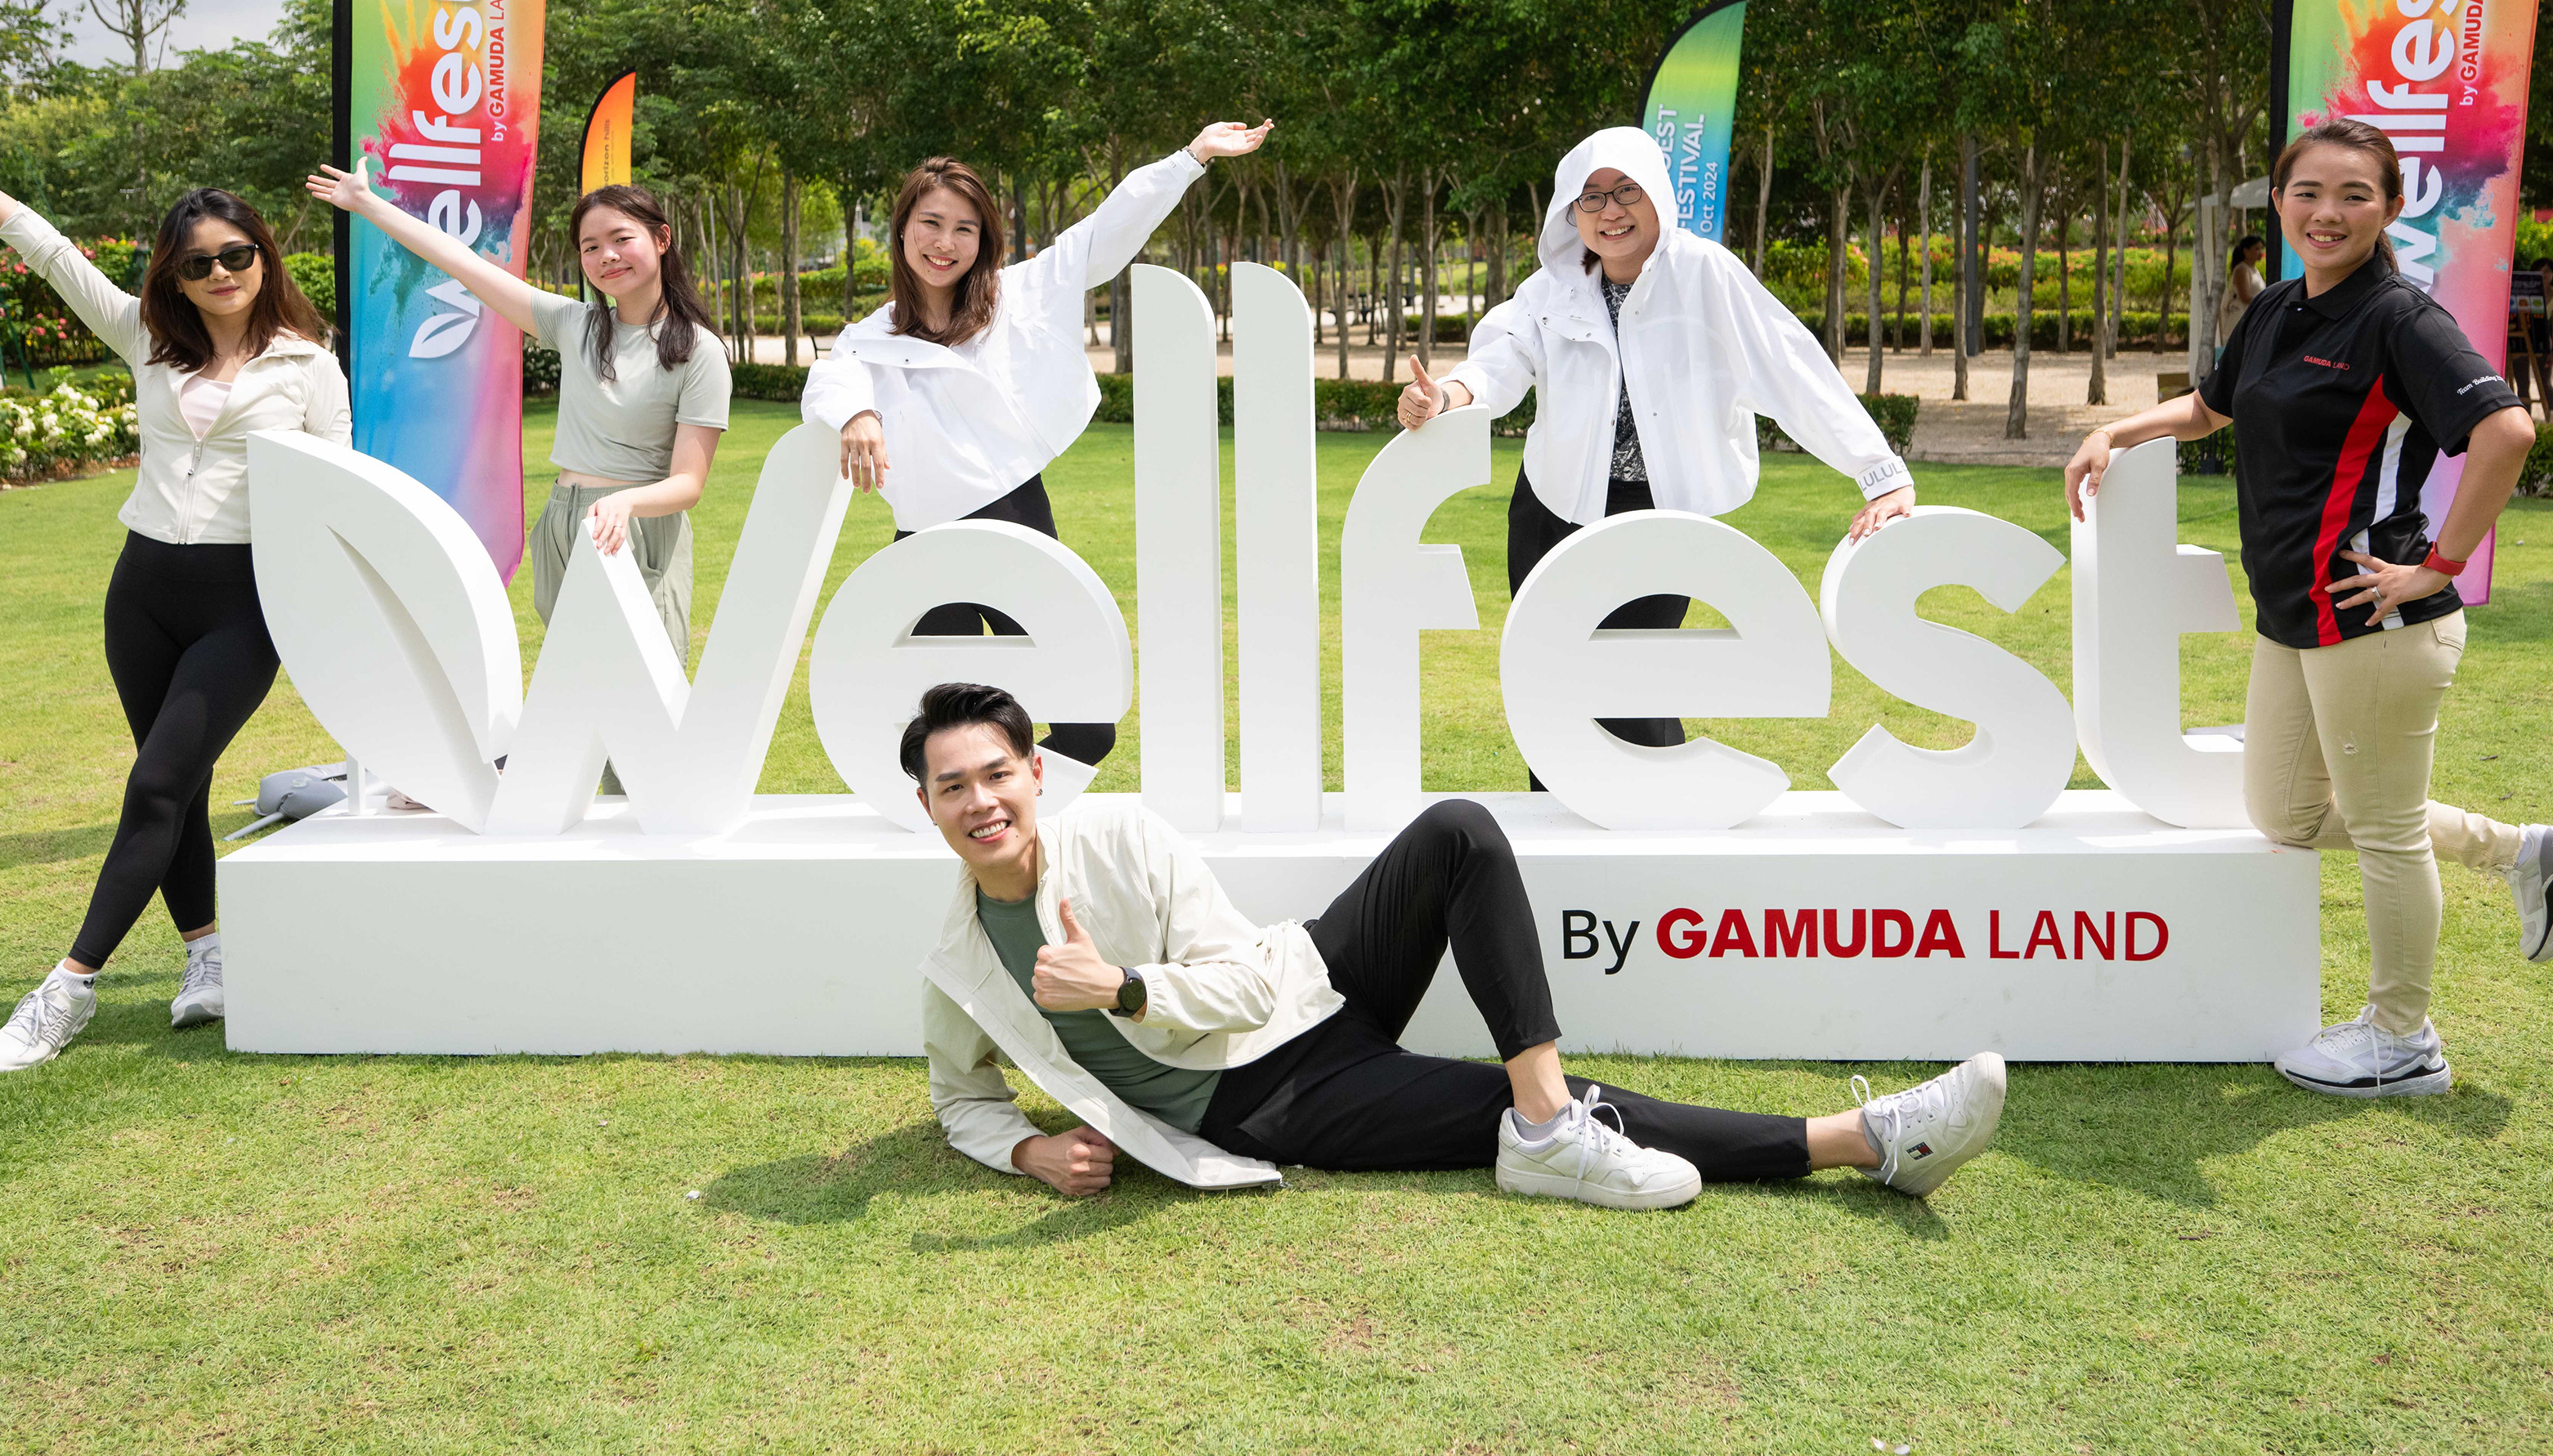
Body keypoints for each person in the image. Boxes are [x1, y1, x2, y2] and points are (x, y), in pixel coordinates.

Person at [906, 682, 2007, 1207]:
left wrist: (1123, 988)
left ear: (1036, 774)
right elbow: (961, 1099)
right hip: (1261, 1101)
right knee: (1521, 1103)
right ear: (927, 805)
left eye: (998, 774)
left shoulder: (1119, 836)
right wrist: (1030, 1151)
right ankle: (1865, 1140)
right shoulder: (961, 961)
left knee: (1459, 830)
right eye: (954, 787)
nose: (982, 801)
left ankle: (1546, 1122)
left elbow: (1242, 983)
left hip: (1302, 984)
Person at [2062, 117, 2553, 1100]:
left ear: (2391, 207)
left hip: (2375, 616)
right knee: (2284, 808)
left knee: (2384, 827)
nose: (2328, 212)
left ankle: (2403, 1040)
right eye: (2308, 192)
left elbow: (2506, 431)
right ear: (2279, 202)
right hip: (2294, 614)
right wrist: (2119, 429)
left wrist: (2439, 564)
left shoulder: (2400, 319)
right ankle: (2528, 853)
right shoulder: (2278, 306)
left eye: (2355, 194)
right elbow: (2212, 405)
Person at [0, 95, 352, 1071]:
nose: (220, 273)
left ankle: (67, 989)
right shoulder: (145, 337)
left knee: (156, 781)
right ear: (175, 275)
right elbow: (41, 245)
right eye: (198, 263)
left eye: (236, 254)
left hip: (245, 604)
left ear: (264, 256)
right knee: (178, 783)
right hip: (144, 593)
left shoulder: (308, 363)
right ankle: (207, 957)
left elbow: (335, 487)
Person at [1399, 126, 1910, 764]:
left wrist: (1881, 473)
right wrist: (1444, 396)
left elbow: (1788, 366)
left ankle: (1658, 817)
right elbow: (1499, 363)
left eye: (1626, 191)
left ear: (1657, 196)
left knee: (1635, 686)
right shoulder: (1551, 289)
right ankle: (1558, 827)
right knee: (1549, 684)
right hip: (1552, 512)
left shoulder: (1704, 274)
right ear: (1572, 213)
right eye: (1591, 198)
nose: (1610, 211)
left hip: (1660, 515)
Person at [804, 122, 1271, 770]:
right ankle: (964, 821)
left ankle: (1016, 814)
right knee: (936, 741)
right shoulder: (870, 337)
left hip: (1014, 520)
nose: (945, 244)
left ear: (983, 240)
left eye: (964, 229)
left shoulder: (1014, 295)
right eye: (931, 223)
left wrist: (1191, 158)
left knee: (1086, 725)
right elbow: (831, 377)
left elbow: (1104, 231)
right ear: (904, 227)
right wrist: (857, 413)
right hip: (925, 549)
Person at [308, 168, 731, 652]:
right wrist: (366, 203)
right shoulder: (576, 325)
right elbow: (462, 263)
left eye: (621, 239)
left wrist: (626, 503)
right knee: (571, 686)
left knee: (643, 685)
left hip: (632, 526)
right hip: (564, 520)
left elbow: (688, 484)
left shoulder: (698, 350)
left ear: (661, 239)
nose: (607, 256)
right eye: (590, 246)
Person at [2215, 232, 2266, 357]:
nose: (2260, 252)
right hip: (2239, 318)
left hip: (2250, 318)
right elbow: (2245, 297)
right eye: (2256, 249)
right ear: (2246, 251)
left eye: (2261, 249)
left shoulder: (2254, 270)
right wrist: (2266, 301)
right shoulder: (2242, 270)